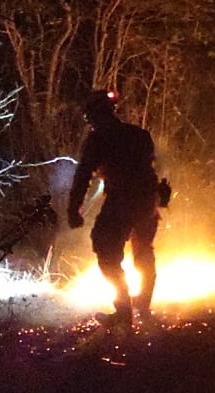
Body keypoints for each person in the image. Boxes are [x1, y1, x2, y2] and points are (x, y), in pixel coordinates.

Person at [67, 90, 169, 330]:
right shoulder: (139, 134)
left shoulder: (98, 139)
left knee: (106, 250)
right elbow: (155, 167)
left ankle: (124, 312)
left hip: (122, 202)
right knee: (143, 250)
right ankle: (142, 306)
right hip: (147, 201)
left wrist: (74, 209)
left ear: (94, 114)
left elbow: (83, 176)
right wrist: (159, 197)